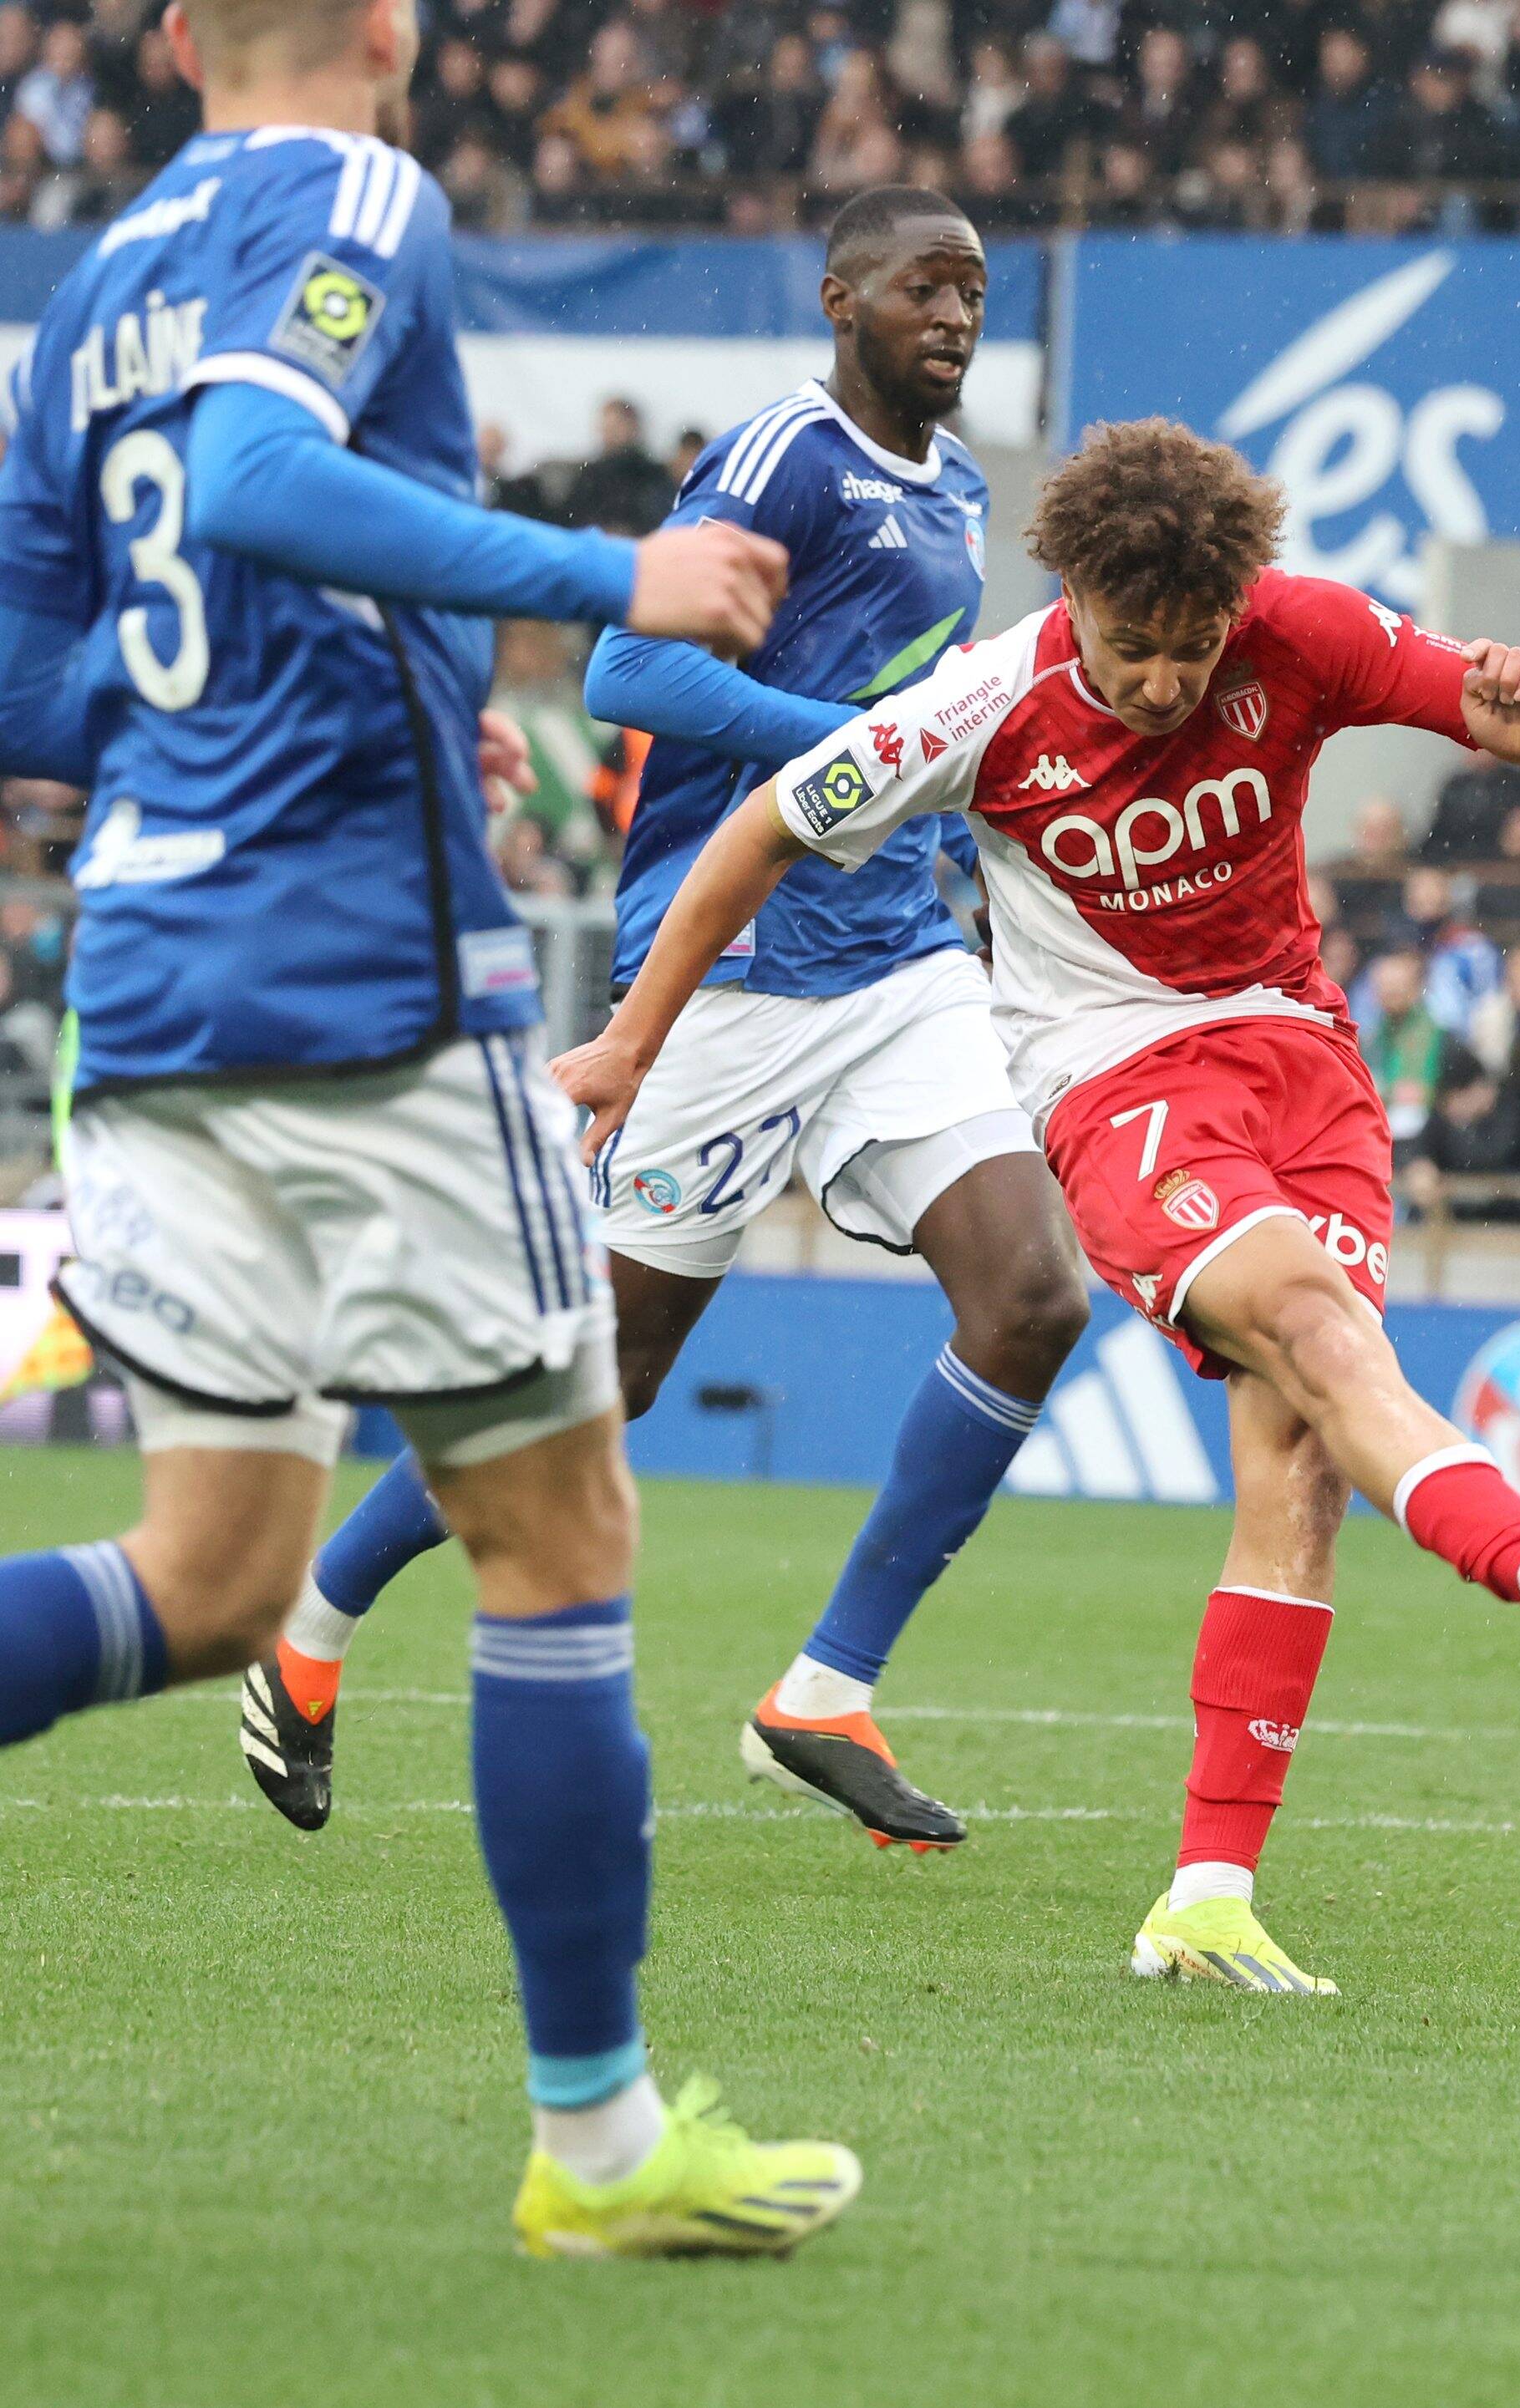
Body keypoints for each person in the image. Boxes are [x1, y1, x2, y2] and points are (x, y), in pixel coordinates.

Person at [0, 0, 856, 2254]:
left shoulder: (81, 297)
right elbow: (269, 476)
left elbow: (30, 670)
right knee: (560, 1538)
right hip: (367, 987)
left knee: (204, 1584)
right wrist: (604, 581)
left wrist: (297, 704)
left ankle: (600, 2144)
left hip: (156, 980)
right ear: (387, 28)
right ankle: (596, 2151)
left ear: (181, 39)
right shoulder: (363, 192)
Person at [555, 418, 1520, 1998]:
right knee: (1310, 1334)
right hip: (1119, 1082)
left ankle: (1207, 1900)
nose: (1163, 682)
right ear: (1070, 591)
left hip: (1304, 1062)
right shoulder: (983, 705)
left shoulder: (1303, 630)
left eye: (1191, 650)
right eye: (1130, 648)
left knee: (1299, 1459)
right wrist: (630, 1039)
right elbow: (760, 828)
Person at [252, 187, 1090, 1856]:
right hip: (725, 965)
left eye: (977, 291)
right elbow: (629, 679)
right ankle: (308, 1627)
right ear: (842, 297)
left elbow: (926, 722)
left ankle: (823, 1692)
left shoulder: (966, 491)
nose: (957, 313)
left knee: (1032, 1294)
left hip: (890, 961)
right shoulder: (780, 454)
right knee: (594, 1386)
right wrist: (834, 749)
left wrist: (950, 802)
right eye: (926, 285)